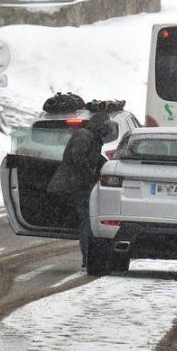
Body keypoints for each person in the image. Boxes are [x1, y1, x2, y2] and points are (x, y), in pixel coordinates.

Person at [47, 112, 118, 269]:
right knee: (88, 220)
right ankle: (88, 258)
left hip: (79, 185)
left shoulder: (93, 138)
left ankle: (88, 257)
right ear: (102, 126)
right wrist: (92, 174)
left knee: (87, 220)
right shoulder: (84, 135)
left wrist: (109, 167)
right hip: (74, 185)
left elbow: (94, 159)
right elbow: (79, 159)